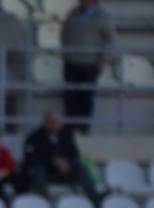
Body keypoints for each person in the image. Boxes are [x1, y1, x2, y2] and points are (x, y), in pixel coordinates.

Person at [23, 108, 103, 205]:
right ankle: (46, 204)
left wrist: (66, 162)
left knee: (80, 167)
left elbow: (74, 154)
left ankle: (96, 201)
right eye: (53, 121)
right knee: (37, 170)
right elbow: (30, 159)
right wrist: (52, 161)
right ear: (46, 122)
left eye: (58, 121)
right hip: (47, 174)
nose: (56, 124)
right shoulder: (34, 137)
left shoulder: (66, 135)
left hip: (64, 172)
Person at [60, 0, 115, 133]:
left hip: (90, 63)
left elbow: (110, 39)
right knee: (70, 96)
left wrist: (103, 59)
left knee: (86, 97)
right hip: (72, 61)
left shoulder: (102, 16)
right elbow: (64, 32)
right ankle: (70, 128)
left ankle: (84, 128)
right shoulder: (73, 13)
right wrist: (66, 51)